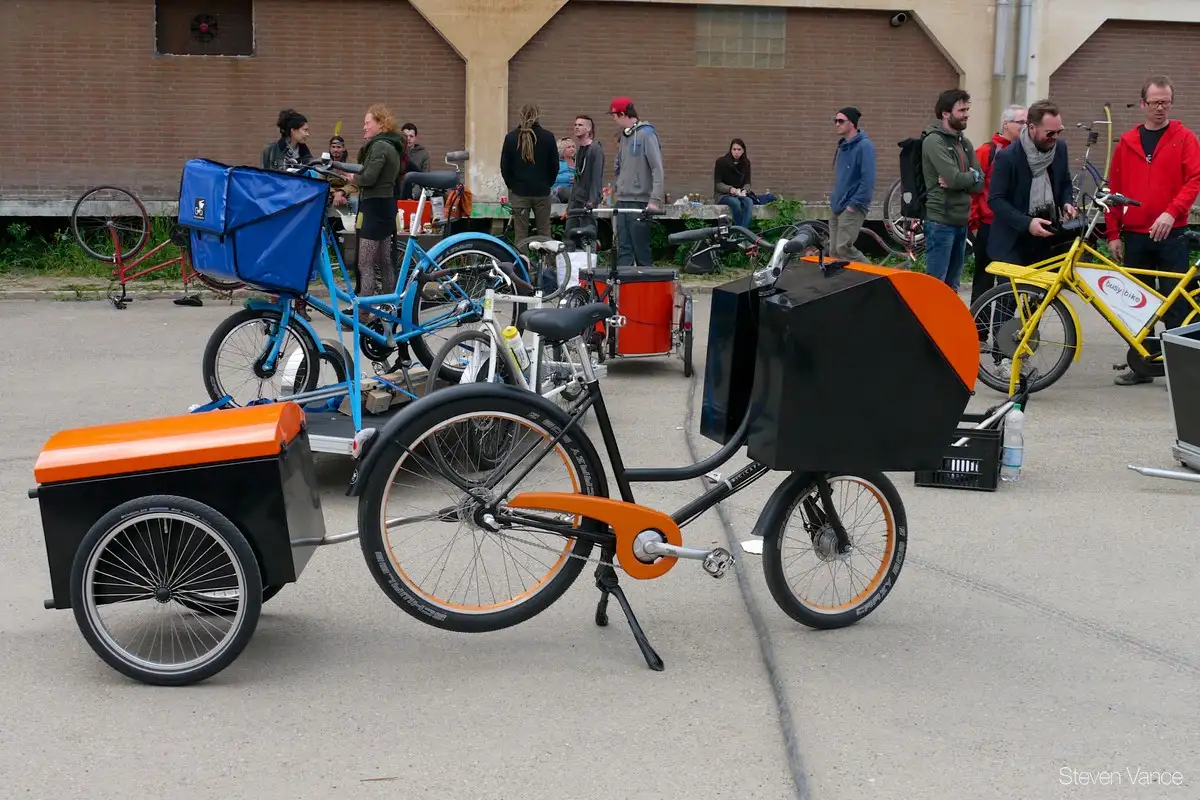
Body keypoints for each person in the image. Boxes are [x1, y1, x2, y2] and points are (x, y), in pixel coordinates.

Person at [1106, 76, 1200, 385]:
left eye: (1166, 102)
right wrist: (1113, 233)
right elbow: (1114, 190)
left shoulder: (1184, 138)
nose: (1161, 108)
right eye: (1155, 102)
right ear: (1143, 104)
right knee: (1137, 303)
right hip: (1134, 234)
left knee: (1176, 303)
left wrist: (1172, 213)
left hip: (1173, 233)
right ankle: (1143, 365)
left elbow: (1195, 180)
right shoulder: (1127, 142)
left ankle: (1179, 371)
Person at [986, 99, 1076, 268]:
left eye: (1059, 131)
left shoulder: (1060, 149)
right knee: (1013, 294)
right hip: (1013, 242)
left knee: (1046, 294)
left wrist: (1067, 203)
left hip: (1048, 239)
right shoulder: (1008, 157)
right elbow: (995, 200)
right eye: (1050, 133)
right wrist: (1027, 223)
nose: (1055, 137)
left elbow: (1064, 182)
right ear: (1032, 128)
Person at [339, 104, 405, 322]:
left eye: (368, 123)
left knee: (365, 263)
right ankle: (390, 310)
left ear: (380, 123)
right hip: (387, 205)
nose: (364, 127)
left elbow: (369, 178)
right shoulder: (394, 145)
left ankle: (362, 314)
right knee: (386, 262)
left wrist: (352, 179)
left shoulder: (379, 146)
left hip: (373, 207)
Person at [921, 89, 985, 291]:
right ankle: (928, 323)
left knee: (952, 286)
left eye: (967, 109)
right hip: (941, 221)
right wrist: (968, 177)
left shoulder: (964, 143)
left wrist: (969, 177)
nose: (967, 114)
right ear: (946, 113)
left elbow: (980, 183)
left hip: (961, 220)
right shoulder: (933, 141)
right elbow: (954, 178)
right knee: (936, 286)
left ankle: (946, 323)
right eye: (962, 110)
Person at [968, 104, 1026, 307]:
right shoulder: (987, 151)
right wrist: (975, 223)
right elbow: (973, 189)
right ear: (1006, 124)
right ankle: (978, 334)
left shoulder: (1025, 152)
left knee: (1008, 286)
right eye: (1020, 122)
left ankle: (1002, 336)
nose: (1025, 126)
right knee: (983, 282)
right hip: (989, 226)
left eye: (1027, 122)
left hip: (1013, 227)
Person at [610, 96, 664, 267]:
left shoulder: (647, 134)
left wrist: (655, 199)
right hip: (623, 200)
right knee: (623, 248)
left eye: (614, 115)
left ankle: (647, 288)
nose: (613, 119)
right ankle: (625, 289)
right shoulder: (624, 137)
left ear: (622, 114)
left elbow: (657, 168)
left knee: (641, 249)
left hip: (639, 201)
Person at [500, 103, 559, 243]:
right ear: (538, 116)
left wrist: (513, 186)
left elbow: (504, 167)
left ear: (521, 116)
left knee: (521, 234)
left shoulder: (511, 137)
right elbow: (554, 166)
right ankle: (546, 264)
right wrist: (547, 183)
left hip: (520, 192)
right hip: (542, 191)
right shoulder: (548, 137)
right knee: (544, 232)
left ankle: (522, 264)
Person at [829, 107, 876, 262]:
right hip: (837, 205)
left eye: (841, 121)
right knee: (834, 251)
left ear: (852, 124)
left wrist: (853, 205)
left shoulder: (865, 146)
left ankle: (876, 277)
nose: (837, 124)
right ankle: (843, 285)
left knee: (844, 248)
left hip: (852, 207)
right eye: (835, 120)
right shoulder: (843, 147)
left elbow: (868, 180)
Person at [713, 139, 754, 229]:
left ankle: (743, 232)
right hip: (723, 195)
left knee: (749, 201)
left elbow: (747, 183)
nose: (736, 152)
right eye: (734, 149)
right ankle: (737, 231)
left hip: (739, 194)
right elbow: (718, 184)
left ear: (743, 151)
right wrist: (730, 189)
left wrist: (744, 190)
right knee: (735, 203)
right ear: (730, 150)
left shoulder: (746, 163)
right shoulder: (721, 162)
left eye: (739, 149)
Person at [552, 137, 577, 202]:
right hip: (559, 191)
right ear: (562, 150)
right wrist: (569, 178)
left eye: (573, 147)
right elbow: (552, 178)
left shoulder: (578, 163)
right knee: (567, 191)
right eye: (568, 147)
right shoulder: (557, 163)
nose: (572, 149)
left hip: (574, 190)